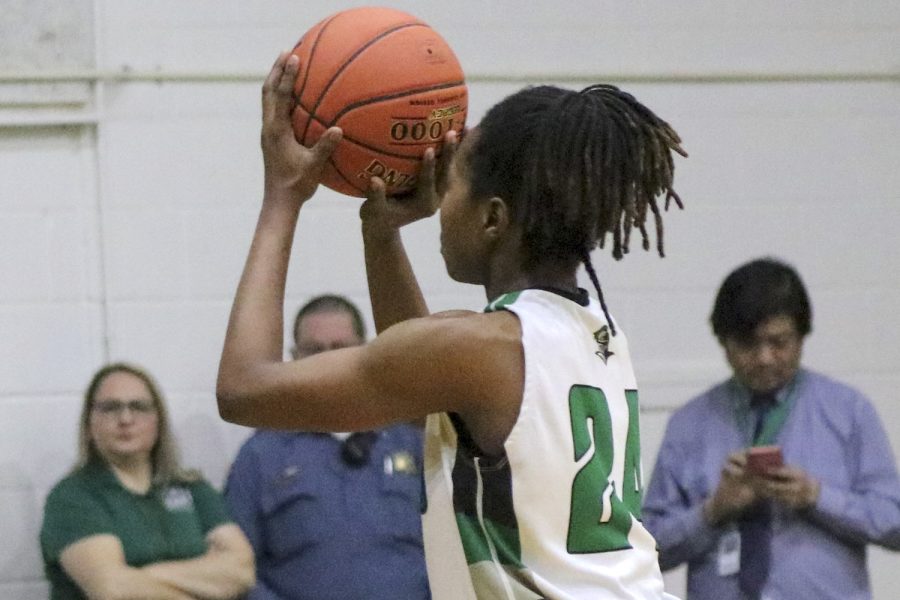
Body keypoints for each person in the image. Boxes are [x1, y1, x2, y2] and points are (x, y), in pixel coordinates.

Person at [216, 51, 687, 599]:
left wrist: (283, 194)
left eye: (454, 182)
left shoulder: (484, 347)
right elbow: (422, 398)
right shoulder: (593, 330)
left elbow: (243, 388)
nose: (440, 203)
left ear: (492, 218)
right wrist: (382, 234)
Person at [642, 257, 900, 600]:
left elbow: (894, 523)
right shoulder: (688, 425)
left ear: (802, 336)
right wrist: (713, 510)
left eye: (779, 343)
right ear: (724, 342)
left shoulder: (849, 412)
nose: (764, 358)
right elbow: (645, 552)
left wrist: (818, 497)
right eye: (748, 345)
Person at [223, 294, 430, 599]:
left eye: (340, 348)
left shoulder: (414, 439)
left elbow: (457, 548)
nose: (327, 359)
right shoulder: (261, 455)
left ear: (366, 351)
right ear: (294, 357)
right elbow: (234, 568)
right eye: (313, 350)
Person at [40, 362, 255, 600]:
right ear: (90, 423)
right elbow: (113, 591)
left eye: (139, 407)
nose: (125, 418)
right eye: (110, 408)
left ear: (158, 420)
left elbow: (242, 571)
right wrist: (208, 574)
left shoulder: (192, 488)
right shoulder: (72, 498)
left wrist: (140, 576)